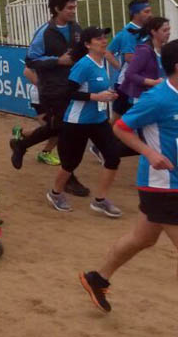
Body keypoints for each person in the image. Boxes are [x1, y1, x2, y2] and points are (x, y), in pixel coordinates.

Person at [78, 39, 178, 337]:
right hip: (162, 185)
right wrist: (149, 153)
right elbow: (121, 127)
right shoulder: (158, 98)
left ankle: (97, 278)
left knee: (143, 238)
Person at [11, 0, 91, 197]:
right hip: (51, 89)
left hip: (72, 86)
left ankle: (22, 144)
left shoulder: (76, 29)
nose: (74, 11)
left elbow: (81, 54)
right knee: (65, 131)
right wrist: (57, 61)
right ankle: (69, 179)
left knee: (59, 128)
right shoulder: (45, 32)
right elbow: (30, 61)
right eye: (70, 7)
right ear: (57, 9)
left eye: (75, 7)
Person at [46, 27, 122, 216]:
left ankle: (100, 200)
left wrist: (110, 95)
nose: (104, 41)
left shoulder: (102, 61)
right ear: (88, 45)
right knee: (71, 163)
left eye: (105, 37)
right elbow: (68, 92)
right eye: (98, 39)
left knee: (113, 156)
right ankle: (55, 193)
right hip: (77, 122)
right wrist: (96, 96)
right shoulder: (84, 65)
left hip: (98, 120)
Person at [107, 0, 153, 121]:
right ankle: (108, 139)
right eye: (146, 12)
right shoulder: (129, 32)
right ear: (135, 14)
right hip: (126, 83)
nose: (150, 15)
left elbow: (108, 51)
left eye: (150, 11)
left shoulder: (144, 30)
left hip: (138, 80)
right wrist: (118, 67)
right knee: (118, 117)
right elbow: (129, 57)